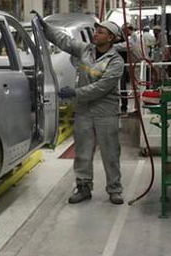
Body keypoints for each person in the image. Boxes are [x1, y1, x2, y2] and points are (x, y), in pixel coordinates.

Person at [39, 18, 125, 205]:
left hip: (106, 112)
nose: (95, 34)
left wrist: (75, 93)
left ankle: (115, 189)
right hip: (84, 111)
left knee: (110, 152)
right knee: (83, 151)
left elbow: (101, 88)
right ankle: (83, 187)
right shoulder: (86, 49)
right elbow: (65, 41)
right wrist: (46, 28)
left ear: (110, 38)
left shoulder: (116, 61)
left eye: (100, 32)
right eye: (96, 31)